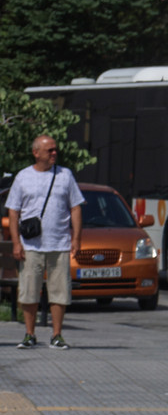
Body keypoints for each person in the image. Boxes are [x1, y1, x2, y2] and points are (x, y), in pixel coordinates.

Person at [6, 135, 85, 349]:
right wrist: (16, 243)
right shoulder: (23, 177)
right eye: (49, 150)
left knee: (60, 291)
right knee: (29, 291)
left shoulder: (65, 175)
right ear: (36, 153)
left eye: (54, 150)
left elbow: (76, 206)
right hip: (31, 246)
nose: (54, 153)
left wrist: (76, 238)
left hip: (59, 245)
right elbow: (13, 211)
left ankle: (57, 335)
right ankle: (29, 334)